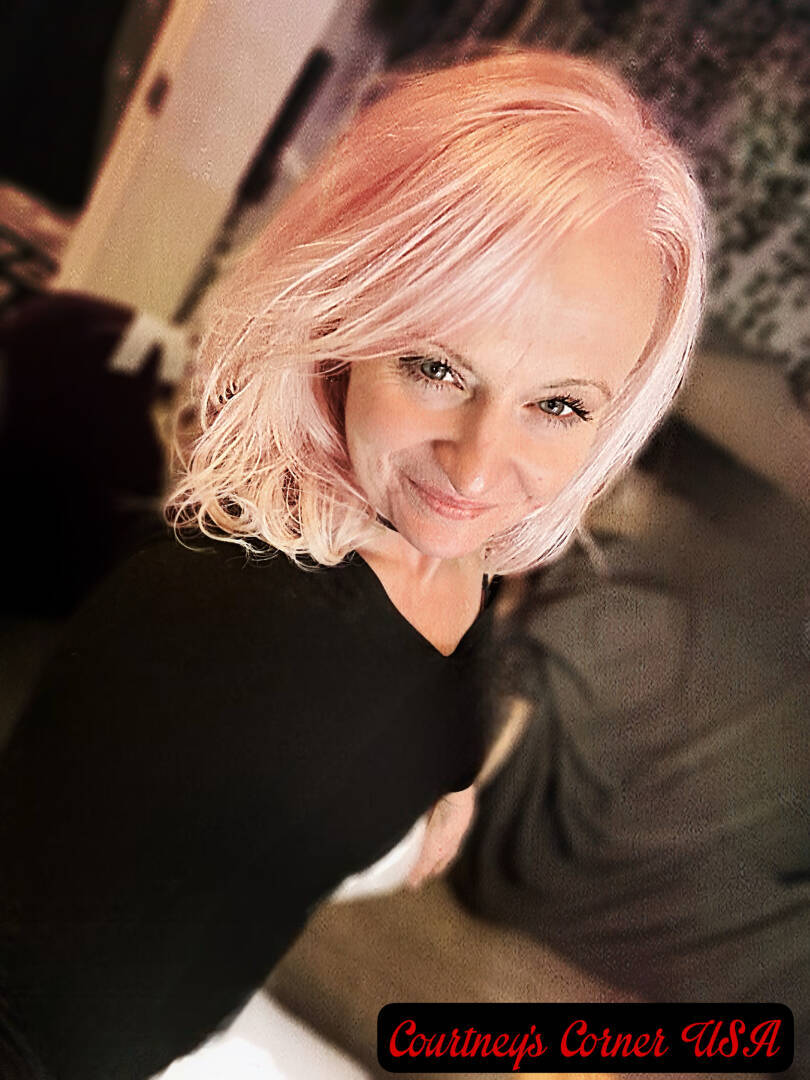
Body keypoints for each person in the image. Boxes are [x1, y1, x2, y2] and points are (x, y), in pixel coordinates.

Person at [0, 47, 705, 1080]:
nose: (477, 469)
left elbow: (446, 657)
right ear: (342, 327)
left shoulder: (448, 541)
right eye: (436, 367)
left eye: (558, 404)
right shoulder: (218, 620)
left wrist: (452, 785)